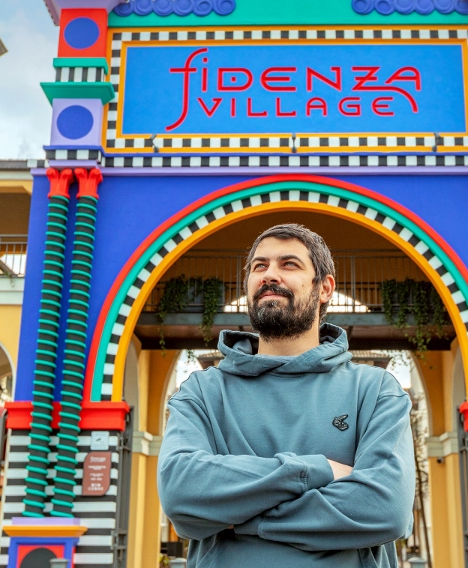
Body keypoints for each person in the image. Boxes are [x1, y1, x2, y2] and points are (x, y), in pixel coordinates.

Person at [157, 222, 416, 567]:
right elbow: (182, 492)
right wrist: (316, 470)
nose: (269, 275)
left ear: (324, 288)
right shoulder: (202, 392)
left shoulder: (375, 390)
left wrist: (242, 517)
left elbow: (385, 509)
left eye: (289, 264)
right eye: (259, 266)